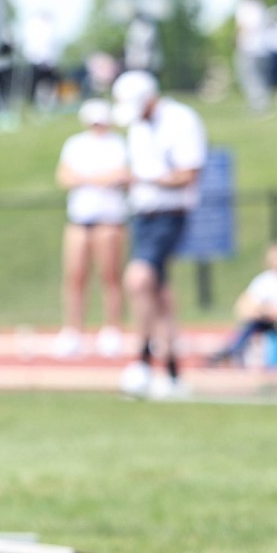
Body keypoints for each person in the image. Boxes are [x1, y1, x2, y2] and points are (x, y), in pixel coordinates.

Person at [112, 70, 207, 398]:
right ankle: (171, 372)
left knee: (137, 280)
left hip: (170, 214)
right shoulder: (138, 128)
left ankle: (141, 361)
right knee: (159, 294)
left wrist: (144, 178)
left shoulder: (181, 120)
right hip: (143, 214)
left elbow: (188, 174)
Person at [53, 99, 130, 358]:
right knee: (74, 276)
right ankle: (73, 330)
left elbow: (121, 175)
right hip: (80, 218)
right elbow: (64, 176)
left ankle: (112, 329)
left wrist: (86, 178)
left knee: (109, 275)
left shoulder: (117, 144)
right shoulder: (75, 144)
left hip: (109, 219)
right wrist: (97, 178)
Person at [233, 0, 269, 112]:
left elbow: (242, 26)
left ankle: (257, 105)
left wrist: (236, 39)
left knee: (249, 78)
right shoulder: (262, 7)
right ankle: (262, 103)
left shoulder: (244, 7)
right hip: (262, 49)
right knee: (260, 78)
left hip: (248, 48)